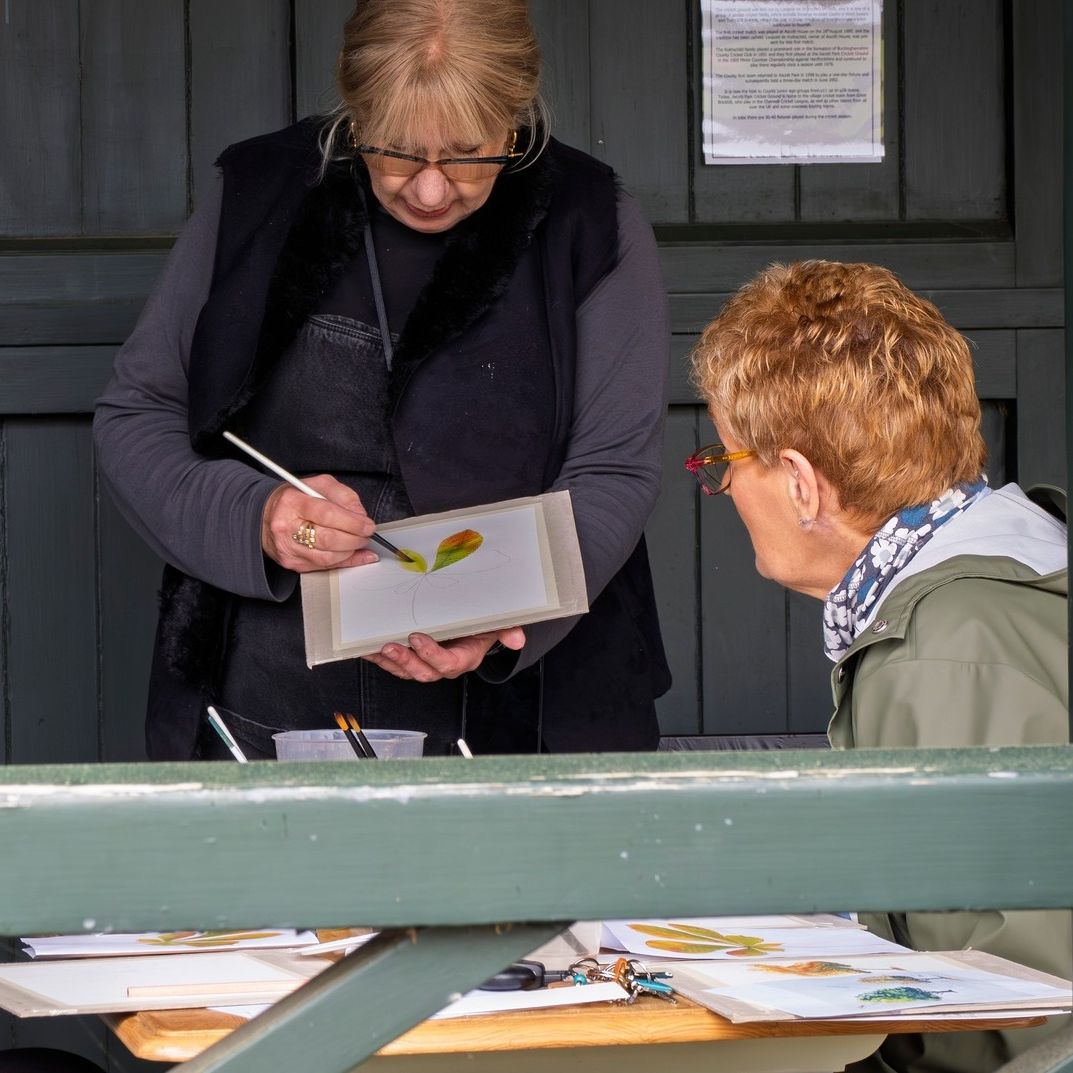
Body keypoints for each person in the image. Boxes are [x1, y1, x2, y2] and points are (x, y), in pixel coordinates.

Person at [94, 0, 669, 761]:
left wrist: (502, 624)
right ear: (354, 113)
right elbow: (137, 417)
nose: (429, 191)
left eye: (468, 155)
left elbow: (614, 468)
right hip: (272, 687)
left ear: (517, 120)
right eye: (395, 152)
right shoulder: (258, 195)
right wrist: (259, 516)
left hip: (537, 703)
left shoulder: (592, 219)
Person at [687, 259, 1070, 1073]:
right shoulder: (1010, 560)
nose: (723, 490)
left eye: (725, 463)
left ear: (797, 481)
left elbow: (1021, 1017)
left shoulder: (950, 648)